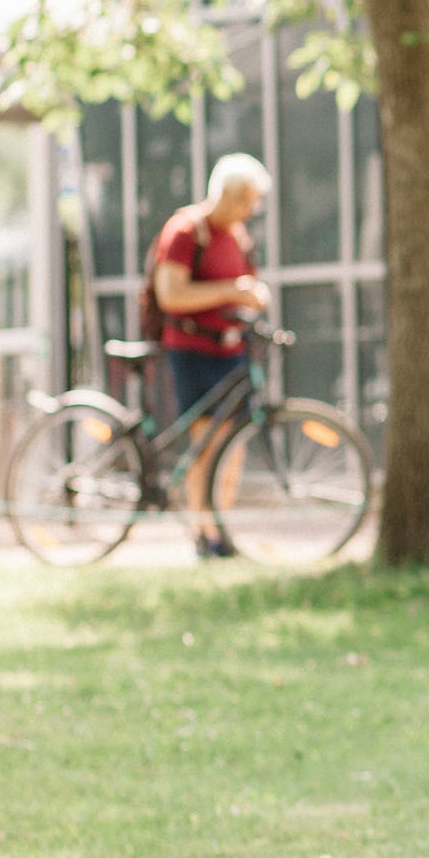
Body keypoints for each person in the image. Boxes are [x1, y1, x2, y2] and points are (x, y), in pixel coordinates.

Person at [146, 153, 271, 560]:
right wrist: (231, 291)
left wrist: (252, 294)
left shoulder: (237, 236)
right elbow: (172, 294)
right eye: (246, 201)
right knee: (206, 445)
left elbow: (247, 283)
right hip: (193, 350)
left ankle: (219, 529)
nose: (251, 210)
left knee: (232, 446)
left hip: (231, 350)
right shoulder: (185, 232)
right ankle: (204, 534)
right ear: (228, 195)